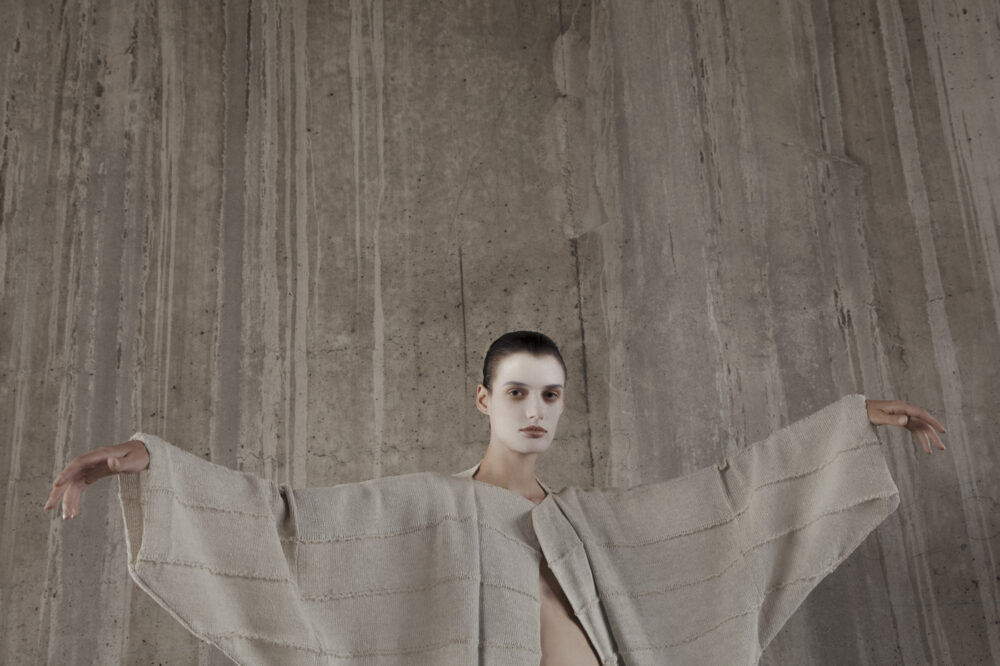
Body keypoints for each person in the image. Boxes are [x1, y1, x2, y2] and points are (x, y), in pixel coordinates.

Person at [44, 331, 946, 665]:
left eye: (550, 394)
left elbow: (732, 502)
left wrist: (848, 423)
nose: (534, 409)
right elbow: (285, 524)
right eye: (517, 391)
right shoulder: (426, 509)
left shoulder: (597, 527)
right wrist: (151, 464)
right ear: (485, 400)